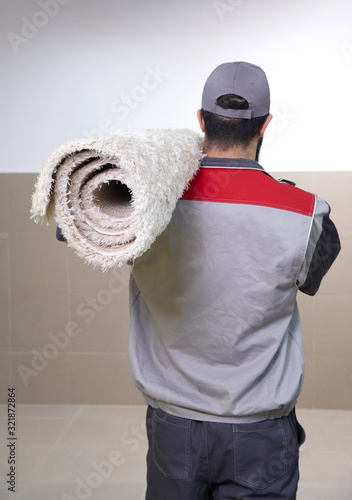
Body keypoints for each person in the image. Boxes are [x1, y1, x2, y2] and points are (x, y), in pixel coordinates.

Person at [127, 62, 340, 499]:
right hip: (260, 431)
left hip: (174, 425)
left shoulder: (143, 207)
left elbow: (75, 224)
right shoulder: (306, 214)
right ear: (265, 126)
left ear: (201, 120)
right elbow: (312, 274)